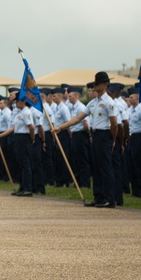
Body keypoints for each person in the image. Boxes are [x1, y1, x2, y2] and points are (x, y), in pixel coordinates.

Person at [55, 72, 117, 208]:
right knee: (95, 167)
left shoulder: (108, 102)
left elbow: (114, 123)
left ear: (105, 85)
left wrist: (112, 140)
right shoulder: (92, 103)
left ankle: (109, 198)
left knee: (105, 167)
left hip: (104, 134)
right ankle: (98, 196)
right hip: (94, 135)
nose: (95, 86)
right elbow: (77, 119)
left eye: (98, 83)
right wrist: (61, 127)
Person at [0, 95, 34, 197]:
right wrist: (0, 135)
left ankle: (28, 188)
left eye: (17, 101)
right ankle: (22, 187)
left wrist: (32, 138)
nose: (15, 103)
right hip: (17, 138)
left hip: (24, 138)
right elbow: (13, 127)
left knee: (25, 164)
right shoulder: (19, 113)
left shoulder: (26, 112)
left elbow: (31, 127)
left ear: (22, 102)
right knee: (19, 164)